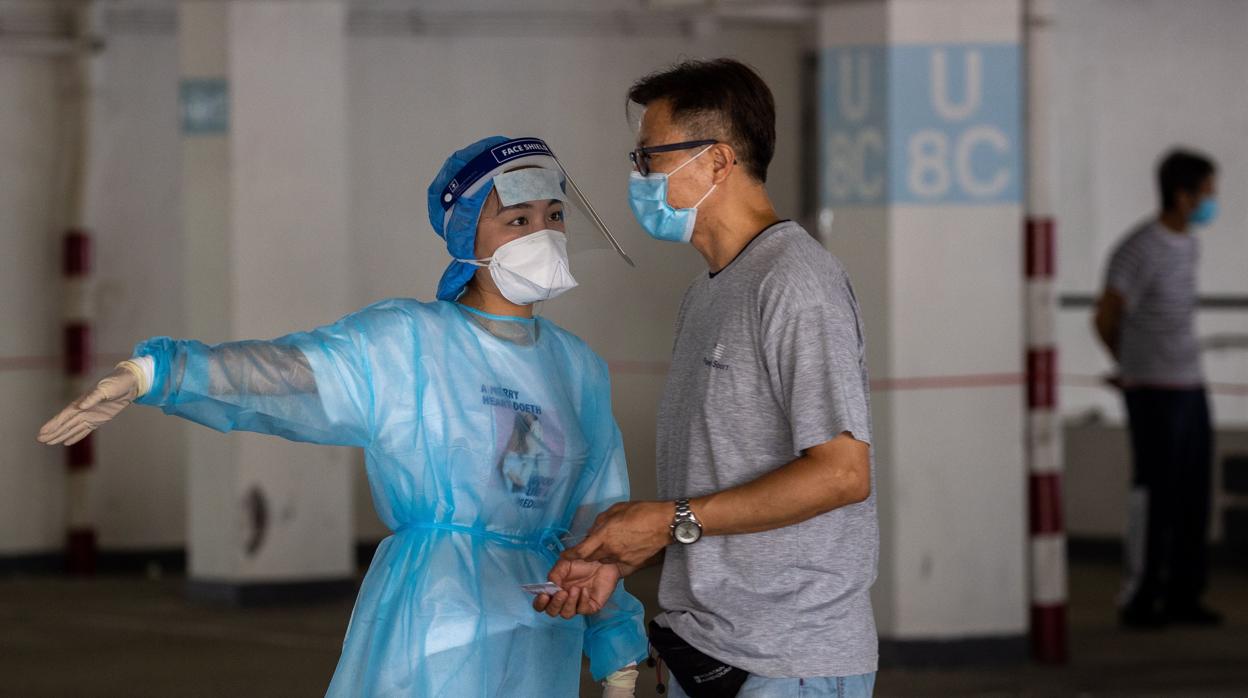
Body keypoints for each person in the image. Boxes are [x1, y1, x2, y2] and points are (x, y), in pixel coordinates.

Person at [37, 136, 647, 697]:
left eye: (555, 217)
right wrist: (160, 373)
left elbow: (600, 512)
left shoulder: (578, 369)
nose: (542, 234)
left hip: (545, 626)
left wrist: (617, 646)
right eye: (517, 219)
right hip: (437, 621)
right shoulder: (411, 342)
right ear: (467, 235)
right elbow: (290, 373)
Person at [533, 59, 878, 697]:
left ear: (717, 162)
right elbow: (722, 483)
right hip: (707, 646)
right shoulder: (707, 294)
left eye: (650, 158)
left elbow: (841, 473)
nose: (639, 178)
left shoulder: (796, 282)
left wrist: (668, 521)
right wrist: (629, 551)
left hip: (786, 659)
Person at [1094, 148, 1222, 629]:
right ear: (1183, 195)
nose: (1212, 202)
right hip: (1153, 391)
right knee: (1156, 494)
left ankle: (1184, 594)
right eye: (1208, 193)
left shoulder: (1189, 245)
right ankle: (1142, 594)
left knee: (1194, 494)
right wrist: (1129, 365)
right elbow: (1106, 315)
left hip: (1191, 386)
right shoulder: (1139, 247)